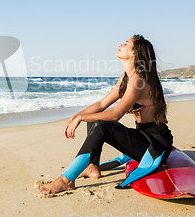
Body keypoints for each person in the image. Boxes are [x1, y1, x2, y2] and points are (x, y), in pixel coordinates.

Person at [38, 34, 173, 195]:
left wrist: (81, 118)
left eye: (126, 43)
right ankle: (92, 167)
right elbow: (101, 104)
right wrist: (76, 116)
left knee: (101, 124)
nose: (120, 45)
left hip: (155, 144)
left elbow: (116, 114)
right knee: (97, 115)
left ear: (134, 53)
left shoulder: (139, 79)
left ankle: (66, 180)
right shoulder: (126, 77)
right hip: (141, 135)